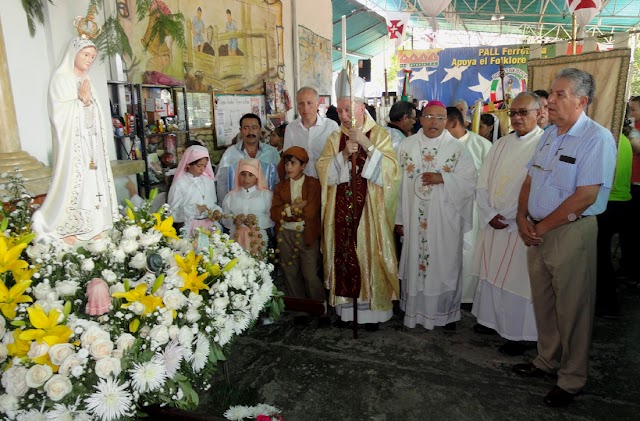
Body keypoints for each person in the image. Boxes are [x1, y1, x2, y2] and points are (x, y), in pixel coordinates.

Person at [513, 68, 616, 407]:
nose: (550, 101)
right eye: (551, 95)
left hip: (570, 233)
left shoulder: (596, 138)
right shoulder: (549, 134)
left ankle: (572, 379)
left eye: (560, 95)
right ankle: (547, 361)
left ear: (581, 101)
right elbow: (530, 179)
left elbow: (585, 195)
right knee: (545, 303)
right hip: (537, 229)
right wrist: (521, 216)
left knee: (573, 308)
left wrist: (540, 228)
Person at [316, 70, 401, 330]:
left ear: (361, 107)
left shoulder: (380, 135)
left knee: (369, 254)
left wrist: (367, 145)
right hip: (341, 210)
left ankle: (372, 312)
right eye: (340, 110)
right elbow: (323, 171)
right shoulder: (334, 137)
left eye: (347, 109)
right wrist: (342, 154)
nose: (343, 116)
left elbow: (392, 172)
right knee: (344, 253)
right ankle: (347, 310)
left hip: (370, 211)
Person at [470, 92, 545, 355]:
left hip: (519, 225)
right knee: (491, 274)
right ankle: (490, 320)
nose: (517, 118)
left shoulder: (544, 145)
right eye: (513, 113)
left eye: (524, 112)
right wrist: (489, 212)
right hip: (494, 221)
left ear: (539, 113)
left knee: (518, 281)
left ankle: (519, 334)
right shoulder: (500, 143)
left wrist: (515, 216)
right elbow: (482, 180)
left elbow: (536, 186)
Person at [395, 100, 477, 331]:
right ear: (421, 119)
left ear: (447, 121)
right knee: (416, 262)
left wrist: (443, 178)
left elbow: (471, 181)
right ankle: (414, 312)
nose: (434, 122)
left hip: (445, 222)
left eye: (440, 118)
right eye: (429, 117)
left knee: (444, 266)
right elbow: (396, 186)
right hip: (413, 219)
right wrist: (398, 218)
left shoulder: (457, 149)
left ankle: (444, 314)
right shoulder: (406, 147)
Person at [32, 36, 118, 244]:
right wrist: (81, 102)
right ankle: (69, 228)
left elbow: (95, 115)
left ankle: (96, 226)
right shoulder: (61, 79)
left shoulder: (88, 82)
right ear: (73, 54)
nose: (89, 60)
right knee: (75, 186)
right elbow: (59, 116)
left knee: (93, 186)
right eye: (86, 55)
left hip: (91, 148)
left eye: (93, 57)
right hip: (73, 150)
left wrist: (88, 104)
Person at [445, 106, 492, 305]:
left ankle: (468, 295)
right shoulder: (439, 144)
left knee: (470, 252)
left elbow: (489, 178)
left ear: (453, 123)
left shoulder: (481, 145)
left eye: (442, 122)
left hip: (473, 208)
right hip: (445, 208)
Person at [270, 147, 324, 307]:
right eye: (286, 164)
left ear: (303, 165)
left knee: (310, 274)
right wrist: (292, 208)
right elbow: (274, 213)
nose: (289, 168)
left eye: (293, 163)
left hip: (306, 233)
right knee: (290, 272)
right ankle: (299, 309)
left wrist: (285, 212)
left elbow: (310, 212)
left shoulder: (313, 184)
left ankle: (319, 306)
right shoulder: (281, 187)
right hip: (285, 234)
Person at [595, 108, 633, 318]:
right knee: (603, 256)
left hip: (609, 204)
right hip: (621, 203)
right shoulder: (623, 139)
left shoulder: (607, 139)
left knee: (600, 258)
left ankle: (607, 304)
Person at [216, 113, 280, 203]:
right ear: (240, 130)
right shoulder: (230, 153)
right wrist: (224, 207)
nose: (250, 132)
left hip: (266, 206)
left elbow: (278, 181)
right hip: (237, 208)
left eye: (254, 128)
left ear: (260, 130)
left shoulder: (272, 153)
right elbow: (222, 183)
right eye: (246, 128)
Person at [283, 87, 339, 179]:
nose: (305, 108)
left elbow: (337, 157)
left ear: (317, 104)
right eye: (301, 104)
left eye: (309, 103)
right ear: (297, 106)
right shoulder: (291, 128)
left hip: (326, 182)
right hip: (300, 183)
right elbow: (287, 158)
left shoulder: (331, 127)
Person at [221, 158, 274, 254]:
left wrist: (256, 220)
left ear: (257, 176)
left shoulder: (265, 195)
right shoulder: (231, 196)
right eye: (242, 174)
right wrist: (234, 220)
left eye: (250, 175)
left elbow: (272, 217)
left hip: (259, 239)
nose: (246, 179)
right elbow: (224, 217)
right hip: (236, 239)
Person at [167, 145, 222, 237]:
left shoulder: (208, 180)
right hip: (189, 229)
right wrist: (193, 210)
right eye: (199, 166)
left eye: (205, 166)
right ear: (188, 164)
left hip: (210, 226)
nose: (202, 169)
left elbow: (212, 203)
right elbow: (171, 214)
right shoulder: (180, 183)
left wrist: (215, 211)